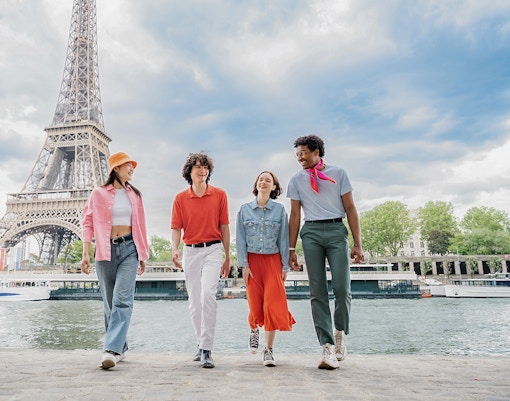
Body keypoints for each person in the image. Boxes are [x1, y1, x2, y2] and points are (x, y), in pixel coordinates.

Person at [287, 135, 364, 370]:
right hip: (310, 233)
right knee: (316, 291)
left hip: (335, 230)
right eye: (297, 154)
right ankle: (327, 346)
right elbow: (295, 216)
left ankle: (339, 332)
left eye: (303, 153)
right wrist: (291, 249)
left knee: (342, 288)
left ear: (317, 152)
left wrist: (357, 243)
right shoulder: (296, 180)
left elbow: (350, 208)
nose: (299, 157)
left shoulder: (338, 173)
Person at [81, 151, 149, 369]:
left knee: (122, 300)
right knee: (110, 303)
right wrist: (85, 252)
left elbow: (141, 226)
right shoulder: (98, 194)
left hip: (130, 249)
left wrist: (142, 254)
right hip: (104, 250)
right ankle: (121, 347)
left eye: (132, 165)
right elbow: (87, 223)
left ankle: (110, 349)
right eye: (127, 165)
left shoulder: (135, 195)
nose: (131, 169)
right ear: (115, 169)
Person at [171, 152, 230, 369]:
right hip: (190, 251)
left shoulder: (220, 195)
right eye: (197, 166)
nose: (202, 170)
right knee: (194, 302)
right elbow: (176, 228)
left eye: (205, 166)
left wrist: (227, 256)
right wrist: (174, 249)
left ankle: (206, 349)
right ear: (190, 171)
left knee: (208, 295)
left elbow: (224, 227)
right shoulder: (180, 198)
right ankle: (200, 343)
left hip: (213, 249)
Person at [236, 171, 296, 367]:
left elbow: (284, 239)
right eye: (260, 179)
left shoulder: (279, 211)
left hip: (273, 261)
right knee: (255, 304)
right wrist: (244, 264)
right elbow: (241, 240)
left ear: (273, 187)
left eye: (268, 181)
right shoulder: (244, 210)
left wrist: (285, 265)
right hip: (252, 261)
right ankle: (254, 329)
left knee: (272, 305)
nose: (263, 182)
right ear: (256, 185)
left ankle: (268, 350)